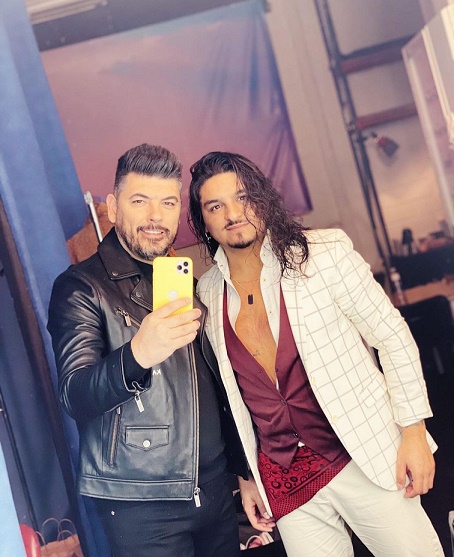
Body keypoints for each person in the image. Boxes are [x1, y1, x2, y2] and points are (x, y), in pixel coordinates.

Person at [188, 151, 445, 557]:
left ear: (262, 198)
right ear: (203, 220)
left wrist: (413, 433)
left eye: (243, 197)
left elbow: (392, 337)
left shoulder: (324, 253)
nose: (233, 214)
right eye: (215, 206)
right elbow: (231, 396)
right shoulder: (207, 291)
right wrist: (247, 475)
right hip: (283, 476)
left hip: (361, 453)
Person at [47, 144, 248, 557]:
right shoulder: (81, 287)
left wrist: (243, 472)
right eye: (140, 201)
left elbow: (217, 388)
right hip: (141, 502)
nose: (156, 216)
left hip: (214, 490)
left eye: (168, 202)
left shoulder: (187, 283)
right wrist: (137, 354)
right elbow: (74, 394)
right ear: (114, 207)